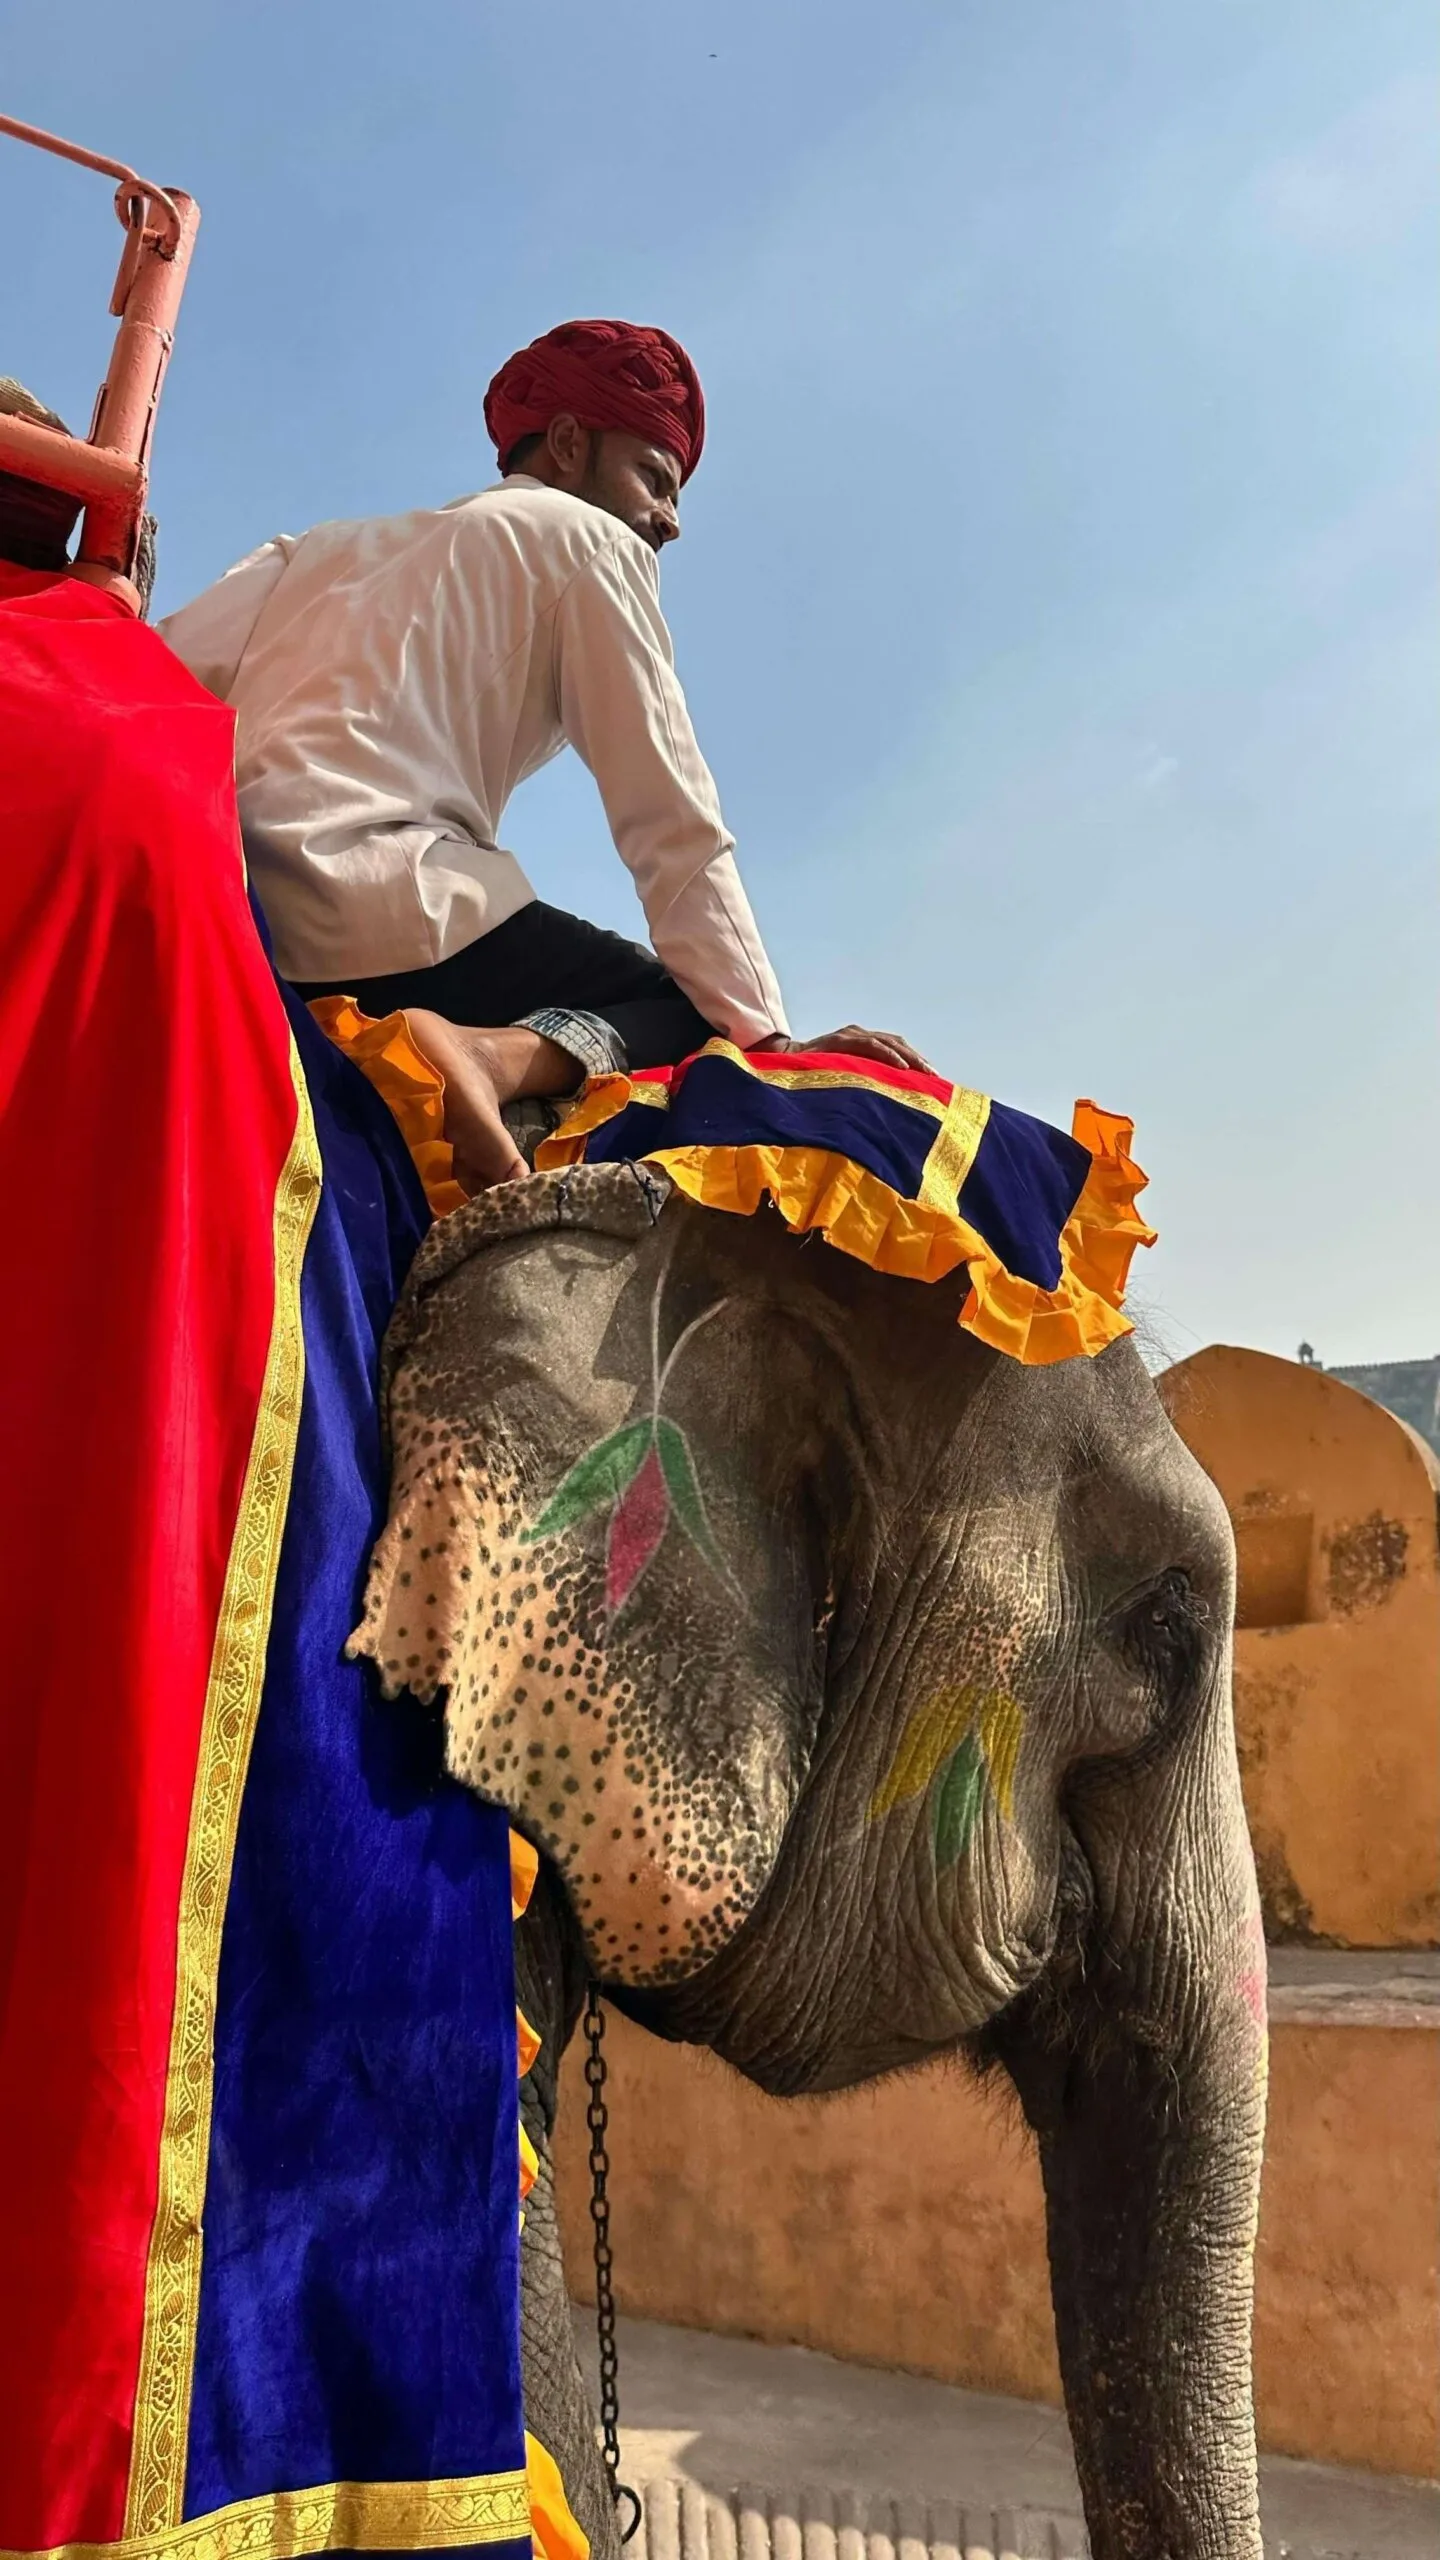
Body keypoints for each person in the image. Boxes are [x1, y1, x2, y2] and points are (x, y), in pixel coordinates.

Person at [160, 318, 924, 1186]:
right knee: (693, 1016)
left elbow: (162, 681)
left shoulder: (312, 551)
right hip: (396, 914)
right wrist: (768, 1041)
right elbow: (671, 820)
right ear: (567, 445)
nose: (667, 521)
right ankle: (483, 1059)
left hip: (239, 914)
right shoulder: (591, 544)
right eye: (655, 478)